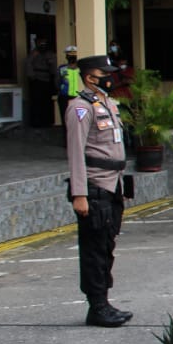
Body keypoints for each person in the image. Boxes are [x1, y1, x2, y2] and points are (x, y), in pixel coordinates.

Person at [65, 54, 133, 327]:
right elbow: (75, 152)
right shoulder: (80, 108)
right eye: (105, 74)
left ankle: (104, 302)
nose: (110, 78)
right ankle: (97, 306)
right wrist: (79, 194)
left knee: (106, 246)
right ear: (90, 77)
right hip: (95, 186)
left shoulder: (107, 104)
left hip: (112, 184)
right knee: (94, 250)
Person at [26, 38, 57, 127]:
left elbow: (54, 67)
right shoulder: (34, 53)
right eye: (40, 44)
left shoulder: (50, 54)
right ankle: (36, 122)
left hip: (47, 79)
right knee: (36, 102)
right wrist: (32, 76)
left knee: (46, 102)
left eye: (44, 43)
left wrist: (54, 76)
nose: (42, 46)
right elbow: (28, 64)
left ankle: (47, 121)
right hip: (37, 79)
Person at [56, 45, 81, 128]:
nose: (72, 58)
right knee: (65, 120)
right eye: (70, 56)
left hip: (79, 97)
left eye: (74, 56)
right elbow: (57, 82)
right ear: (66, 57)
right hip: (65, 97)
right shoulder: (62, 69)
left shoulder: (81, 69)